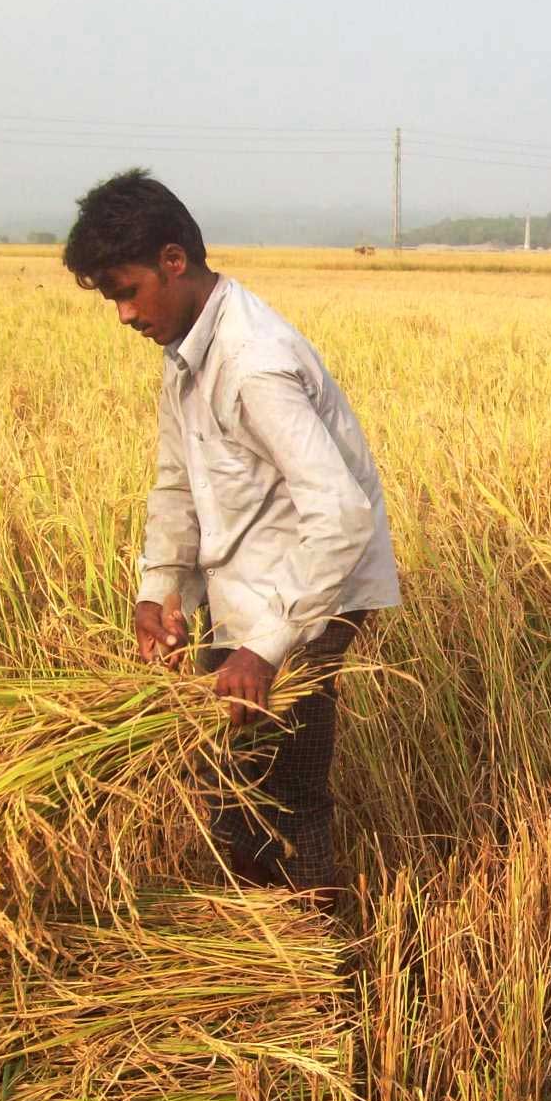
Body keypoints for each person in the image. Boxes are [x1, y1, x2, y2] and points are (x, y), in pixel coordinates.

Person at [63, 169, 400, 904]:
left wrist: (263, 647)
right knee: (227, 779)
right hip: (254, 579)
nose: (122, 313)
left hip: (315, 591)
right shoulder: (187, 350)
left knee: (282, 788)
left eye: (126, 289)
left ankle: (312, 960)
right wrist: (161, 589)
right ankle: (257, 936)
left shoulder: (252, 363)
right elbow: (177, 481)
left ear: (174, 260)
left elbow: (341, 514)